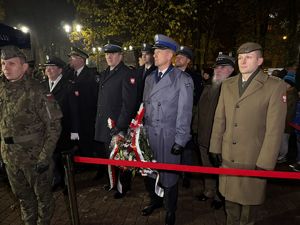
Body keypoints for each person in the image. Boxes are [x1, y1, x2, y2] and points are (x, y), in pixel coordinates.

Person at [209, 42, 287, 225]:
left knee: (248, 210)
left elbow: (274, 130)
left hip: (253, 158)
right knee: (230, 204)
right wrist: (215, 147)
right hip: (228, 156)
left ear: (260, 60)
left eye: (249, 57)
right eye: (240, 57)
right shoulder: (228, 84)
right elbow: (220, 119)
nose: (243, 61)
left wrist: (266, 163)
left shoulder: (274, 86)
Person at [0, 45, 62, 225]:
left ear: (24, 67)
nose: (6, 67)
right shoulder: (2, 89)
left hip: (35, 157)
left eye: (11, 63)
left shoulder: (38, 91)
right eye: (3, 63)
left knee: (43, 199)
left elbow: (54, 126)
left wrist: (45, 156)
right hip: (10, 157)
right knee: (23, 199)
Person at [142, 34, 194, 225]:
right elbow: (144, 107)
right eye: (153, 51)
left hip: (168, 135)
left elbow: (185, 113)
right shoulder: (149, 79)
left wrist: (181, 140)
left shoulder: (182, 79)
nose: (153, 55)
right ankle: (155, 200)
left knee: (169, 175)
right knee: (149, 172)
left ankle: (171, 209)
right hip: (149, 134)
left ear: (170, 54)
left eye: (158, 51)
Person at [94, 41, 138, 198]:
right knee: (110, 156)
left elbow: (129, 104)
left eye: (112, 54)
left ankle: (123, 187)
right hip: (105, 125)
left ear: (121, 55)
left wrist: (120, 125)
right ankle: (113, 182)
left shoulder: (127, 73)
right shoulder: (105, 72)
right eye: (107, 54)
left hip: (118, 125)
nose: (109, 57)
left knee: (121, 157)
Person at [193, 53, 235, 209]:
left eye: (222, 67)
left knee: (220, 169)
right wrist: (195, 130)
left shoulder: (233, 91)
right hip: (204, 137)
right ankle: (209, 191)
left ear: (231, 70)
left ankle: (220, 195)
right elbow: (198, 112)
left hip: (220, 140)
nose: (217, 70)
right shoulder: (209, 87)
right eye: (216, 67)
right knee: (207, 167)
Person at [43, 56, 79, 191]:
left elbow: (75, 110)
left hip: (64, 128)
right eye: (47, 67)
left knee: (65, 158)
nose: (48, 70)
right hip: (47, 130)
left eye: (52, 67)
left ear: (60, 70)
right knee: (52, 156)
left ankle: (67, 183)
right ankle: (57, 179)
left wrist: (75, 131)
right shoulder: (42, 85)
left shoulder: (68, 85)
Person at [175, 45, 203, 188]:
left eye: (181, 56)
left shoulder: (195, 77)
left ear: (188, 61)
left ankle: (185, 173)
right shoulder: (169, 74)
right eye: (177, 56)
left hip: (187, 117)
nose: (178, 58)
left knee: (186, 147)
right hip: (171, 118)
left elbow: (197, 99)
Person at [67, 47, 99, 158]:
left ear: (81, 59)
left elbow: (95, 98)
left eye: (72, 58)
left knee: (87, 145)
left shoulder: (91, 75)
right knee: (78, 144)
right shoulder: (70, 74)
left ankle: (90, 165)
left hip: (87, 119)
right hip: (74, 118)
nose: (70, 60)